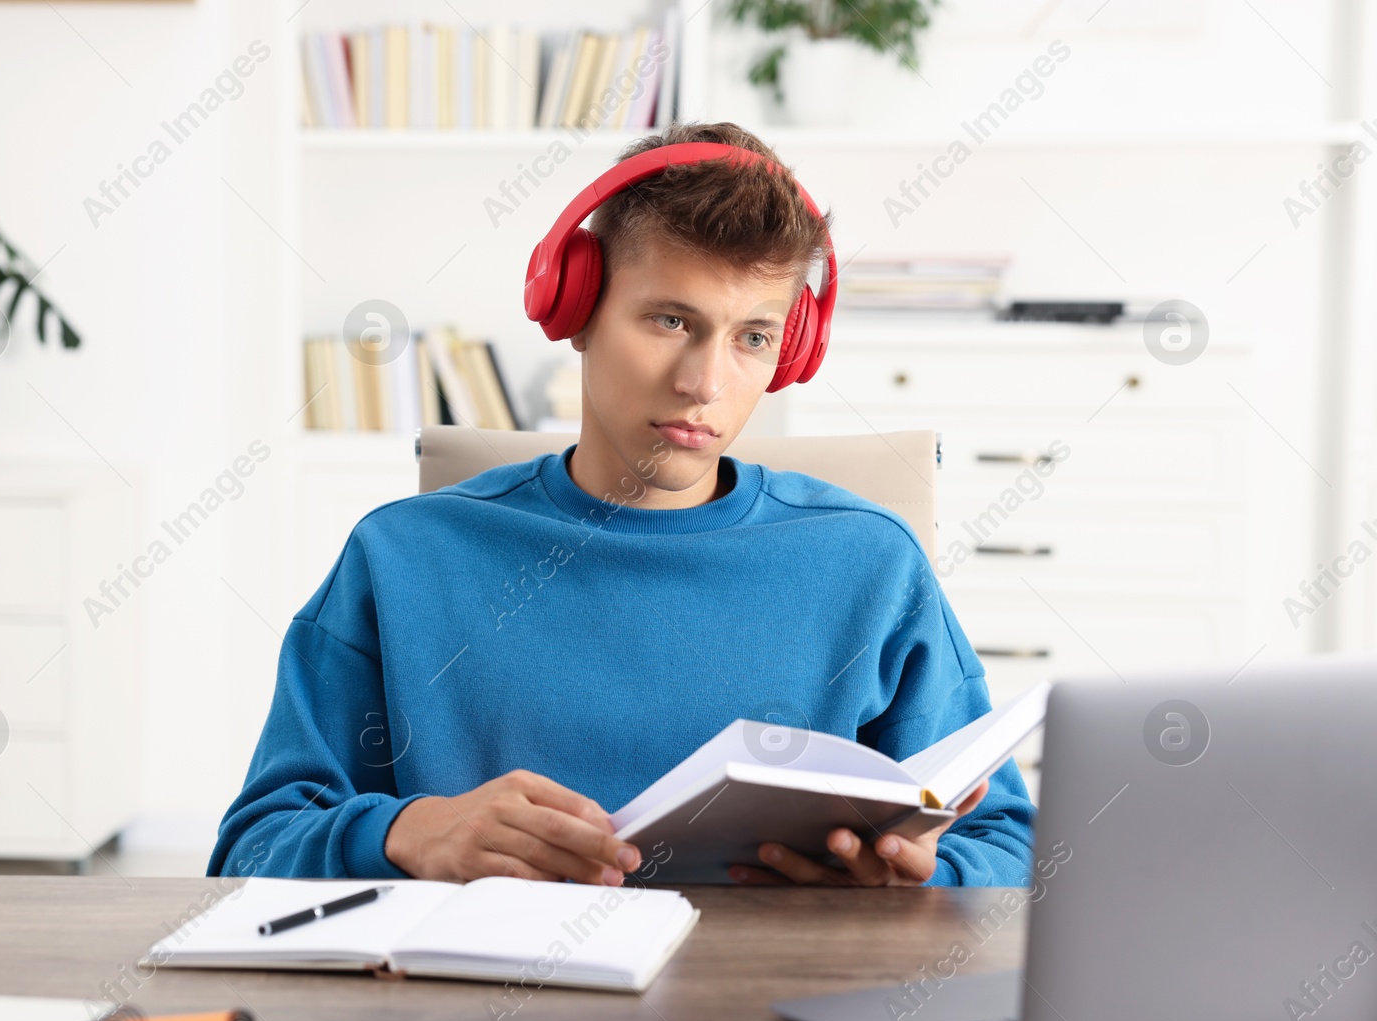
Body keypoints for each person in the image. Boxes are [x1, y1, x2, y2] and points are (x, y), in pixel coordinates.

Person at [207, 120, 1035, 889]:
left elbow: (1008, 843)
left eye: (753, 337)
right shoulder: (402, 556)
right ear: (575, 306)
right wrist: (408, 832)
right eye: (670, 319)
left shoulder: (871, 565)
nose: (704, 383)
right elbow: (249, 848)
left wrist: (918, 879)